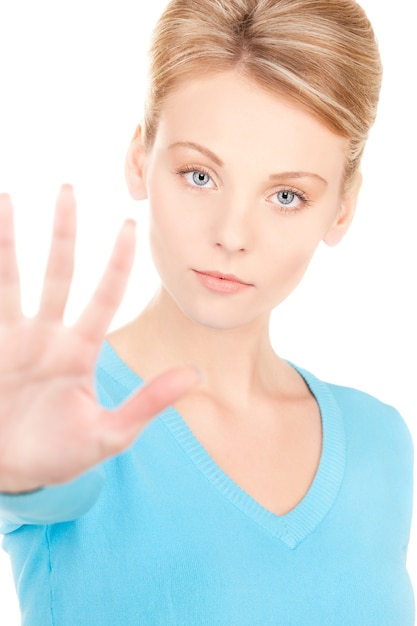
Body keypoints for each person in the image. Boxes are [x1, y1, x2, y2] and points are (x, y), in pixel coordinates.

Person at [0, 0, 414, 624]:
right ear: (141, 159)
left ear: (343, 209)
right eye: (199, 176)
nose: (231, 233)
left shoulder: (381, 441)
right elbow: (40, 474)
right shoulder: (63, 413)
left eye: (286, 195)